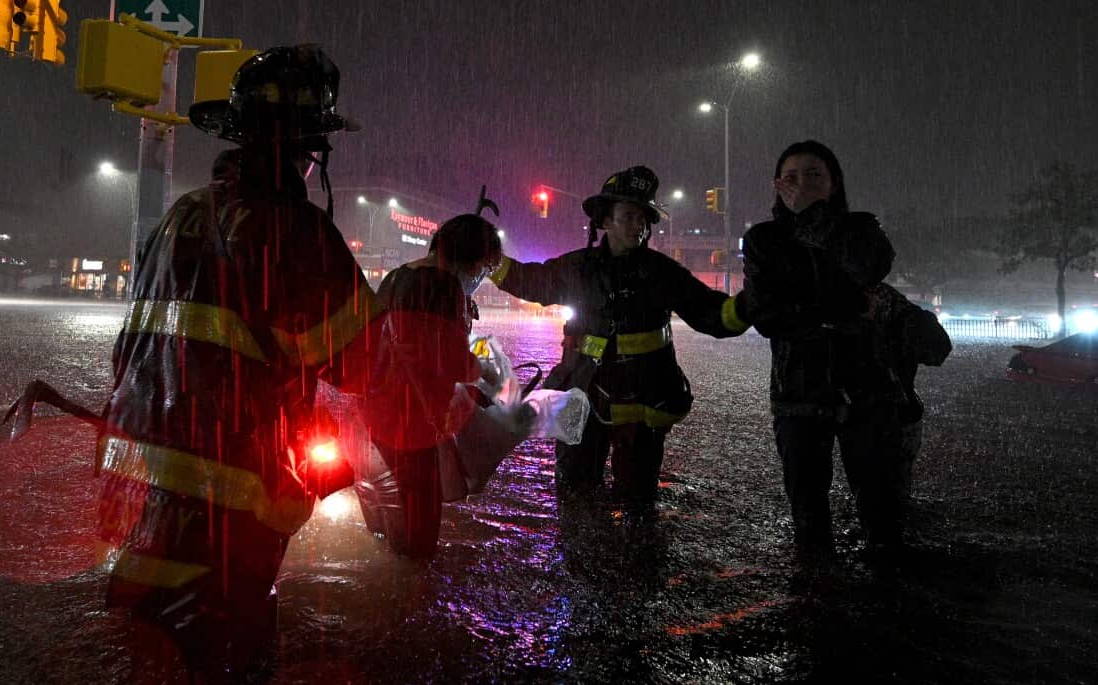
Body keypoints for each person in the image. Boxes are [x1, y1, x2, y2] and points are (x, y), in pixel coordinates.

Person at [94, 45, 381, 685]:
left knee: (139, 664)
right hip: (229, 506)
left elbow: (131, 348)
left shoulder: (179, 217)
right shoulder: (302, 235)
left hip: (135, 481)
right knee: (228, 667)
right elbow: (363, 367)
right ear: (311, 151)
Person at [490, 166, 750, 504]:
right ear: (606, 221)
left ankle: (634, 551)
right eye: (628, 215)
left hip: (641, 407)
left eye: (643, 218)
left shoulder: (662, 273)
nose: (638, 225)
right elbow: (530, 280)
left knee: (637, 500)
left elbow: (710, 313)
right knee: (576, 494)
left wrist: (748, 306)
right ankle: (582, 552)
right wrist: (487, 256)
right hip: (583, 398)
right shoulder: (577, 268)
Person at [741, 140, 903, 554]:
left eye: (814, 176)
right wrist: (846, 311)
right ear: (778, 186)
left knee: (881, 513)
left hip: (867, 388)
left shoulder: (862, 231)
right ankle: (815, 599)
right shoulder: (763, 240)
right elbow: (768, 316)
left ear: (834, 183)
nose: (803, 185)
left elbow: (869, 267)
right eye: (791, 178)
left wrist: (815, 217)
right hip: (797, 392)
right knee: (809, 515)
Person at [358, 209, 503, 559]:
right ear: (471, 262)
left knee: (384, 531)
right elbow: (451, 360)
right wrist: (484, 369)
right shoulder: (443, 285)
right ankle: (405, 606)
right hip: (411, 431)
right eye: (485, 269)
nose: (481, 278)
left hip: (372, 425)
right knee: (416, 548)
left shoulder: (396, 277)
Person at [865, 282, 952, 499]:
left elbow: (938, 351)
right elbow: (938, 351)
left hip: (882, 407)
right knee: (894, 473)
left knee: (881, 473)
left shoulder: (901, 317)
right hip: (895, 406)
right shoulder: (902, 312)